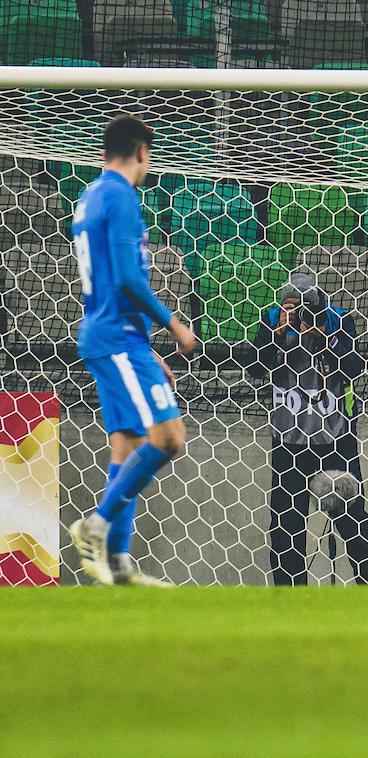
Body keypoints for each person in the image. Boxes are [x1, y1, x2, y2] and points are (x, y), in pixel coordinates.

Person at [68, 114, 196, 586]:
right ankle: (96, 525)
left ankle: (118, 564)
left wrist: (149, 348)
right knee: (169, 440)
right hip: (118, 336)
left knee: (128, 445)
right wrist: (174, 325)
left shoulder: (89, 197)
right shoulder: (121, 196)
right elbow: (126, 277)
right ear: (142, 151)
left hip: (113, 336)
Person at [250, 272, 368, 586]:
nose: (301, 315)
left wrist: (325, 338)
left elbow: (354, 367)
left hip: (335, 439)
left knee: (353, 521)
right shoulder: (271, 319)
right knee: (285, 525)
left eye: (305, 307)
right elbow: (255, 367)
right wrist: (278, 332)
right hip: (288, 440)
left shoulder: (337, 319)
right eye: (293, 307)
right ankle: (290, 601)